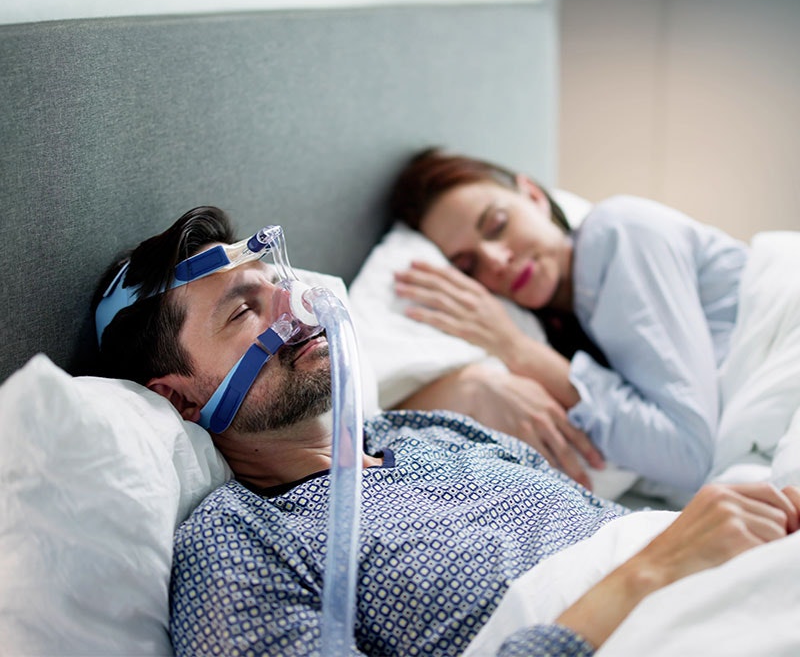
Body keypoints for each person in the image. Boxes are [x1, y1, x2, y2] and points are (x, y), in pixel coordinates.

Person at [93, 206, 799, 657]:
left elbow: (625, 535)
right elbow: (653, 561)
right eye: (244, 312)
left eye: (277, 284)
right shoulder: (237, 542)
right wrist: (650, 573)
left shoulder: (433, 433)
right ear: (179, 398)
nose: (297, 306)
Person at [388, 148, 750, 496]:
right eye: (468, 266)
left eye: (497, 225)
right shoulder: (561, 323)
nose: (495, 260)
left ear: (533, 196)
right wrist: (473, 383)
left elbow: (688, 452)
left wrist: (516, 348)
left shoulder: (616, 233)